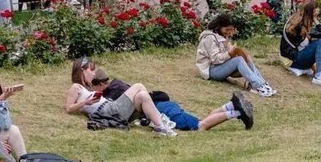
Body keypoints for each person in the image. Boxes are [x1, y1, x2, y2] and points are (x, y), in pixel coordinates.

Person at [91, 68, 256, 130]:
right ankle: (231, 105)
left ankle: (237, 112)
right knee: (200, 119)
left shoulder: (113, 92)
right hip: (165, 105)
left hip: (163, 109)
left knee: (200, 125)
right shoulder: (119, 84)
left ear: (99, 84)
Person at [64, 57, 178, 136]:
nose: (94, 73)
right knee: (138, 86)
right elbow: (69, 108)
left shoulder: (89, 88)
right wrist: (85, 103)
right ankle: (160, 121)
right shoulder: (76, 87)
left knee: (142, 95)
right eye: (91, 70)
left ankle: (159, 125)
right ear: (81, 71)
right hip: (107, 110)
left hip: (111, 109)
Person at [196, 14, 277, 97]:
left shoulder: (223, 36)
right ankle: (257, 85)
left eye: (231, 30)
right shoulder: (210, 37)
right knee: (238, 60)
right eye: (227, 29)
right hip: (211, 70)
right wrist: (229, 54)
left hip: (219, 67)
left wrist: (230, 49)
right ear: (219, 26)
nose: (229, 32)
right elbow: (215, 59)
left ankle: (262, 83)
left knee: (245, 56)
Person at [279, 0, 321, 89]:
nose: (318, 11)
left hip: (297, 57)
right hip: (292, 61)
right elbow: (285, 51)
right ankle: (319, 75)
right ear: (311, 12)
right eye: (315, 11)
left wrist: (315, 19)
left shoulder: (305, 21)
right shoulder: (299, 25)